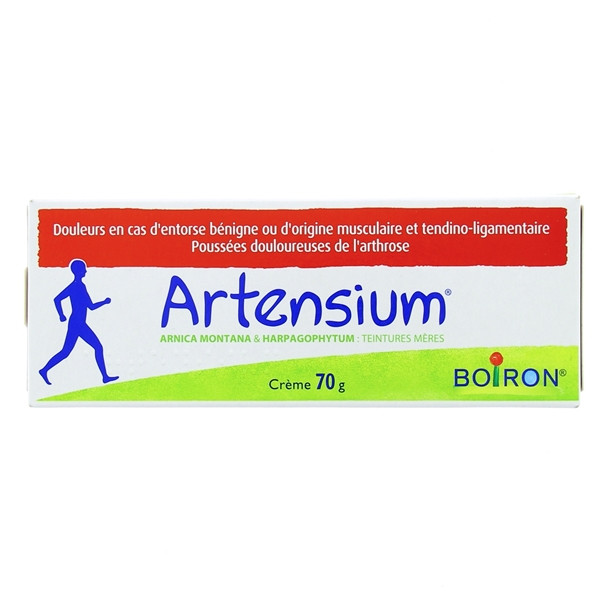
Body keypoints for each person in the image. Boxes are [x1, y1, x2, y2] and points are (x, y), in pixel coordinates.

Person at [39, 259, 119, 385]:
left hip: (80, 323)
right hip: (76, 324)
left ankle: (105, 376)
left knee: (90, 348)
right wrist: (61, 315)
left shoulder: (80, 286)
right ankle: (44, 370)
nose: (86, 271)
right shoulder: (76, 286)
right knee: (69, 351)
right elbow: (57, 299)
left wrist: (103, 302)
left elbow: (90, 306)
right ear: (79, 271)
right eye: (84, 269)